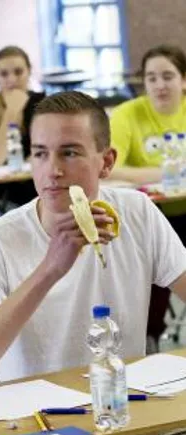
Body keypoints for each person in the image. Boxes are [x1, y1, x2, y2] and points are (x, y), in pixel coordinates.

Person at [0, 91, 186, 435]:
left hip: (145, 420)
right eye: (40, 154)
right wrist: (51, 267)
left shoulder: (137, 212)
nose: (52, 170)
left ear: (105, 162)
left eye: (70, 153)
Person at [109, 44, 186, 350]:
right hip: (149, 217)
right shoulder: (128, 113)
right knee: (150, 263)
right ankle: (149, 338)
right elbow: (110, 167)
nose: (159, 85)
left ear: (184, 80)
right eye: (151, 78)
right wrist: (167, 171)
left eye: (168, 76)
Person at [0, 45, 44, 228]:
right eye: (4, 74)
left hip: (34, 190)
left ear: (29, 72)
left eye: (18, 72)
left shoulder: (42, 103)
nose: (12, 79)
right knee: (3, 222)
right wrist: (12, 110)